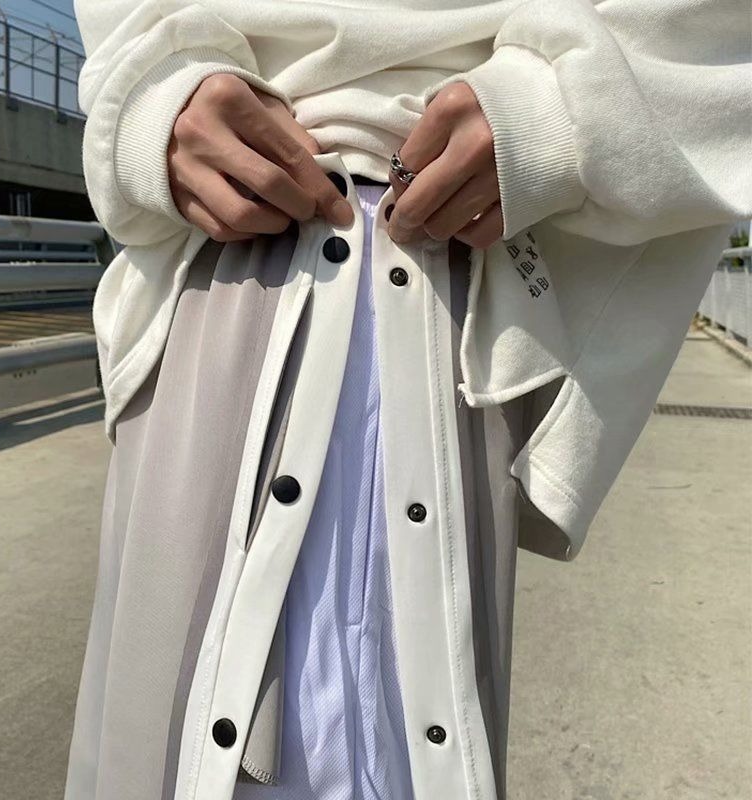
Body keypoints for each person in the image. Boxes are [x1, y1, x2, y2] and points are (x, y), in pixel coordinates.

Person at [64, 1, 751, 799]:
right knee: (170, 740)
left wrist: (559, 112)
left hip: (457, 263)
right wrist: (156, 99)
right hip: (228, 257)